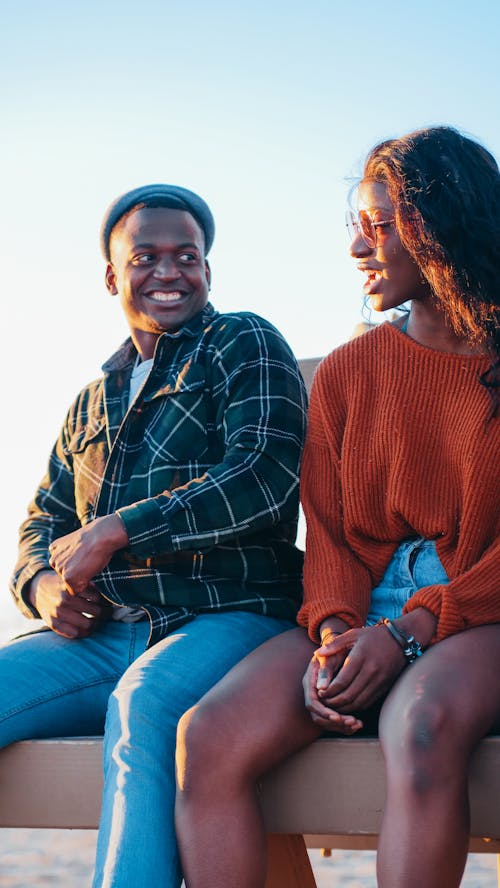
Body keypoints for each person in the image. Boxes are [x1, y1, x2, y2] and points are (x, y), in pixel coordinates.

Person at [175, 126, 500, 888]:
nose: (359, 246)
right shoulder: (351, 371)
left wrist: (412, 631)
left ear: (446, 227)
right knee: (208, 738)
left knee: (419, 730)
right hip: (364, 606)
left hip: (479, 606)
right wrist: (333, 637)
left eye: (382, 226)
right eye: (356, 224)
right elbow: (328, 532)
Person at [4, 183, 307, 887]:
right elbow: (41, 522)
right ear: (113, 274)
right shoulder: (91, 398)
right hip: (103, 633)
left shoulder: (243, 342)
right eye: (145, 256)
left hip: (228, 616)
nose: (168, 271)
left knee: (143, 706)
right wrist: (42, 586)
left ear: (207, 269)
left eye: (187, 256)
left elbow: (262, 475)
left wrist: (119, 529)